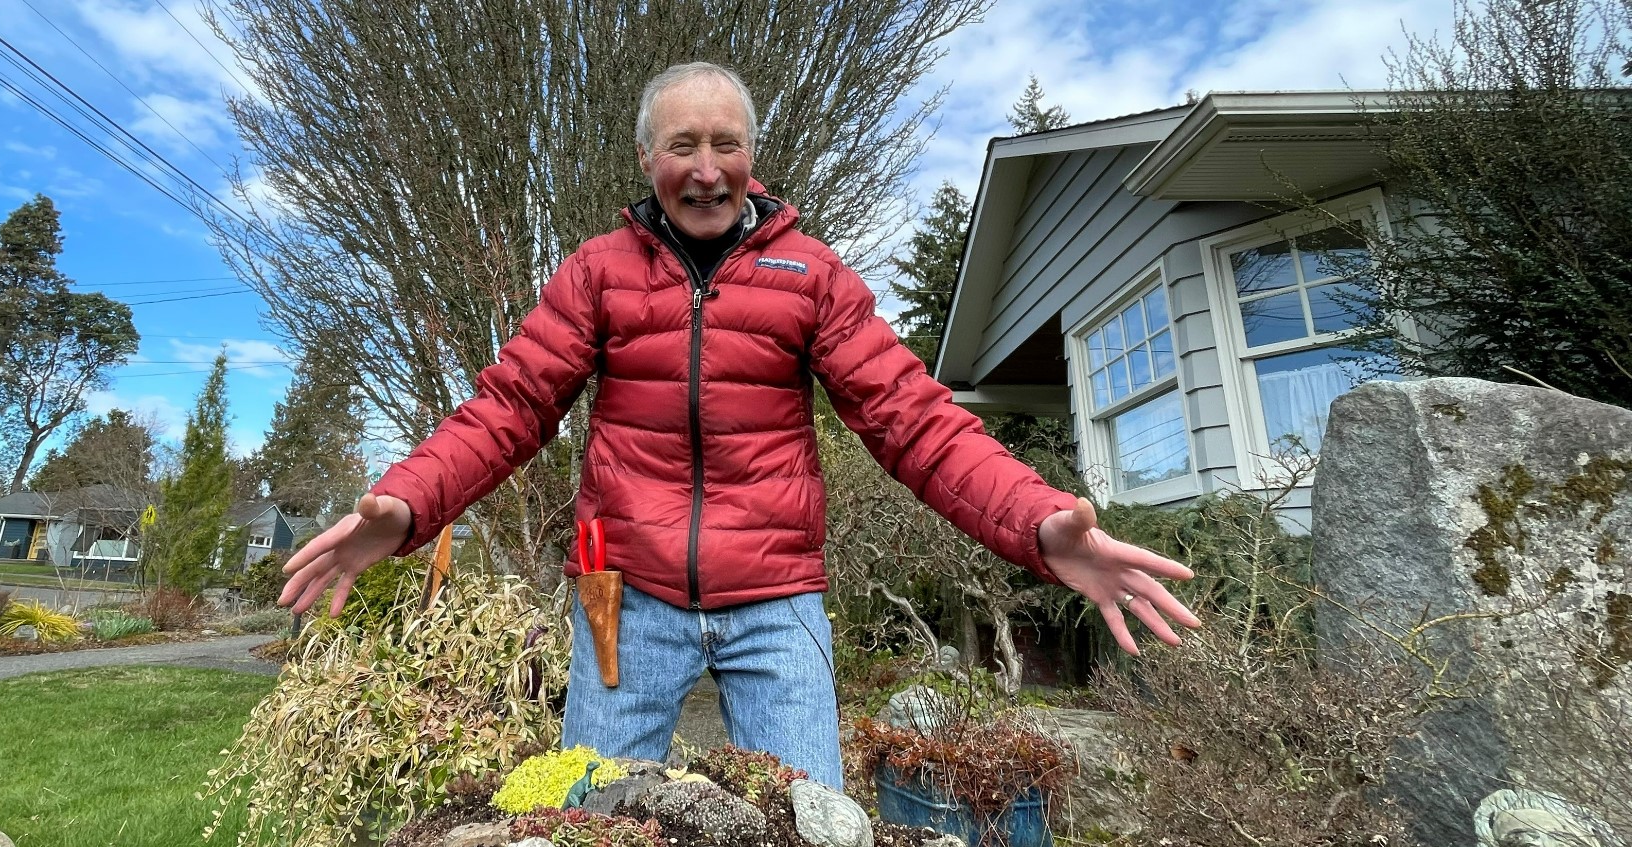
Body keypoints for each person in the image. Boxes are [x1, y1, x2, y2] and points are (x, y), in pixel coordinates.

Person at [281, 62, 1200, 786]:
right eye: (684, 144)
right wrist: (406, 507)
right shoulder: (596, 274)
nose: (708, 168)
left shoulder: (810, 275)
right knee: (593, 819)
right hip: (620, 595)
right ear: (648, 159)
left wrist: (1039, 525)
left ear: (753, 156)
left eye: (728, 144)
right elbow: (509, 406)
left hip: (776, 600)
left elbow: (912, 419)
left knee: (813, 837)